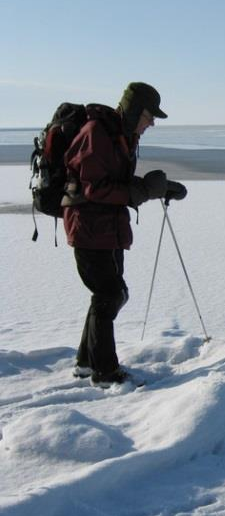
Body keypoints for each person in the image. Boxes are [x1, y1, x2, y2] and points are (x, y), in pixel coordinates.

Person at [62, 82, 187, 387]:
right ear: (134, 111)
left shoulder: (121, 136)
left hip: (107, 229)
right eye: (149, 115)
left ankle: (86, 362)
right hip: (89, 227)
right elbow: (94, 188)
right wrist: (142, 191)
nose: (152, 122)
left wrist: (159, 188)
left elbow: (114, 179)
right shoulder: (97, 133)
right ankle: (105, 373)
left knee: (108, 295)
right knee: (110, 295)